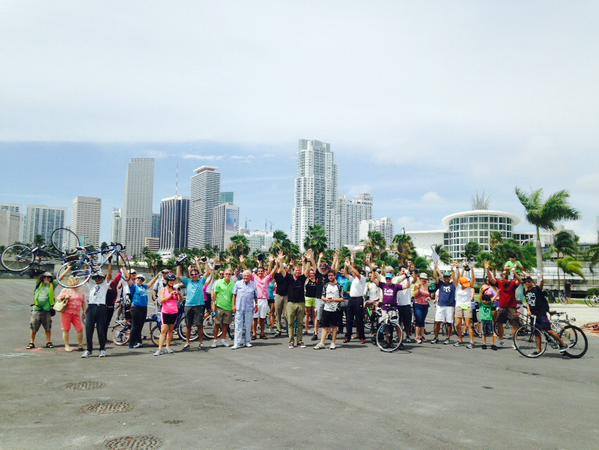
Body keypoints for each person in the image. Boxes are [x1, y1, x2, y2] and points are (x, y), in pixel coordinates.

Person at [523, 276, 567, 353]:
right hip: (533, 315)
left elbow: (541, 285)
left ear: (531, 282)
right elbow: (527, 303)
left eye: (528, 282)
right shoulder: (526, 292)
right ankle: (539, 350)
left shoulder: (536, 289)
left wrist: (541, 280)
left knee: (549, 330)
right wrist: (529, 311)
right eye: (525, 282)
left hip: (541, 313)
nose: (526, 283)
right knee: (537, 333)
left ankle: (562, 343)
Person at [177, 257, 211, 351]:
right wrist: (178, 265)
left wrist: (206, 262)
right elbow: (179, 275)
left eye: (196, 274)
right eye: (192, 274)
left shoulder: (201, 281)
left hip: (199, 306)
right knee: (188, 326)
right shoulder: (187, 281)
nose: (194, 275)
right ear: (190, 275)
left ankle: (201, 343)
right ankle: (187, 342)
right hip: (188, 306)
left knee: (199, 325)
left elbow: (207, 272)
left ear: (198, 275)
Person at [82, 265, 114, 358]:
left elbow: (109, 275)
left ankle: (102, 349)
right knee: (88, 330)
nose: (97, 279)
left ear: (102, 278)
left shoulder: (105, 285)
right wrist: (86, 263)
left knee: (101, 330)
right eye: (96, 278)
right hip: (91, 307)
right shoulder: (92, 285)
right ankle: (89, 350)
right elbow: (86, 276)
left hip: (101, 308)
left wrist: (109, 262)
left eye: (99, 277)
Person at [488, 265, 522, 345]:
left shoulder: (512, 283)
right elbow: (491, 279)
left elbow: (520, 281)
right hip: (502, 307)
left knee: (514, 325)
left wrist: (514, 272)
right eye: (502, 274)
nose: (502, 275)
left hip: (511, 307)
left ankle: (515, 342)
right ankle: (500, 339)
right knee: (499, 323)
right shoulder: (500, 283)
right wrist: (487, 269)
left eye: (504, 274)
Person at [127, 272, 160, 349]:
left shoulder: (144, 287)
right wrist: (123, 267)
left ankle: (139, 342)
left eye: (142, 279)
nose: (140, 280)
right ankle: (131, 343)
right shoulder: (133, 286)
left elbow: (150, 284)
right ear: (135, 279)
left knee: (140, 326)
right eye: (138, 278)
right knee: (135, 326)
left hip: (144, 308)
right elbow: (128, 278)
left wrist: (157, 276)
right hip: (136, 308)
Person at [314, 271, 344, 350]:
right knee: (324, 326)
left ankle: (333, 343)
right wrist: (326, 299)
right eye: (329, 276)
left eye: (331, 275)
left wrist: (334, 299)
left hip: (335, 309)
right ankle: (322, 343)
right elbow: (322, 296)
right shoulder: (326, 285)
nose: (330, 277)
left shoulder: (339, 286)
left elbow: (342, 298)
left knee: (334, 327)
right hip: (326, 309)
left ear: (335, 276)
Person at [27, 272, 58, 349]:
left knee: (48, 327)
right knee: (33, 327)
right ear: (42, 278)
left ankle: (48, 342)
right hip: (36, 309)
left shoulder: (52, 285)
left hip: (46, 310)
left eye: (49, 277)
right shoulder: (39, 284)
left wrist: (68, 268)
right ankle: (31, 342)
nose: (47, 279)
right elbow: (38, 276)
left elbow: (60, 277)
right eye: (45, 277)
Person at [283, 258, 309, 348]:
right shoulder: (289, 278)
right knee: (290, 323)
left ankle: (300, 341)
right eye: (296, 270)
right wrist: (279, 261)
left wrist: (308, 261)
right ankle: (291, 341)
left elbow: (307, 270)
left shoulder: (302, 278)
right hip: (291, 303)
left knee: (300, 323)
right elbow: (283, 271)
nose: (298, 272)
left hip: (301, 303)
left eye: (299, 270)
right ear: (293, 271)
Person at [55, 277, 87, 352]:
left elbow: (84, 303)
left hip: (76, 313)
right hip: (66, 313)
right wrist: (64, 297)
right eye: (72, 281)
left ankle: (80, 345)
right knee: (66, 329)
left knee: (80, 329)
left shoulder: (81, 291)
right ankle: (67, 345)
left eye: (76, 281)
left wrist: (84, 312)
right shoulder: (65, 290)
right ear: (69, 282)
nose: (74, 282)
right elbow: (58, 299)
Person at [154, 273, 181, 356]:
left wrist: (178, 294)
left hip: (174, 312)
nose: (172, 282)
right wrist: (170, 295)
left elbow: (180, 300)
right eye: (170, 280)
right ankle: (159, 349)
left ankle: (168, 347)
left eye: (173, 280)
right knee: (163, 331)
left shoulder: (176, 289)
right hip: (165, 312)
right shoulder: (164, 289)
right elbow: (161, 300)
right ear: (167, 281)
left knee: (170, 331)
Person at [250, 258, 276, 340]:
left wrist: (276, 263)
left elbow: (272, 272)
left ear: (263, 272)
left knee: (262, 318)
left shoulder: (267, 278)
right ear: (257, 273)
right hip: (256, 300)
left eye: (261, 271)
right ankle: (254, 333)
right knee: (254, 318)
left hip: (264, 300)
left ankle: (262, 333)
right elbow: (247, 271)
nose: (260, 272)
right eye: (259, 271)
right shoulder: (254, 277)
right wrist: (242, 263)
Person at [232, 270, 259, 350]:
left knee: (248, 325)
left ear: (250, 276)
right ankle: (237, 343)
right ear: (242, 276)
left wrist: (257, 305)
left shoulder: (253, 284)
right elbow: (234, 295)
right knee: (238, 326)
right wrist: (233, 305)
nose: (246, 277)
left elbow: (255, 296)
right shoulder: (238, 283)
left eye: (247, 275)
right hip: (239, 307)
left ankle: (247, 341)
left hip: (249, 308)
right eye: (244, 275)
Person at [431, 264, 457, 344]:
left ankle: (448, 338)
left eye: (448, 277)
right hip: (440, 305)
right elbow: (438, 276)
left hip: (450, 306)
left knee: (449, 323)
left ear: (450, 278)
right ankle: (436, 337)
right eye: (445, 277)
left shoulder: (453, 285)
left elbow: (455, 278)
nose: (446, 278)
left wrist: (453, 270)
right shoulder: (440, 284)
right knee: (437, 322)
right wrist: (436, 267)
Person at [344, 259, 367, 344]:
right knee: (349, 319)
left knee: (359, 319)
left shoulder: (362, 278)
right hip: (351, 299)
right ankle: (348, 337)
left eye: (353, 270)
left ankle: (362, 337)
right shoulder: (353, 279)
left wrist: (350, 265)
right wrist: (346, 265)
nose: (352, 272)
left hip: (358, 299)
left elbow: (357, 274)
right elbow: (345, 274)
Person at [454, 265, 476, 349]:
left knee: (468, 324)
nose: (467, 285)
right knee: (457, 324)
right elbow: (459, 277)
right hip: (458, 306)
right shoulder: (457, 286)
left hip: (467, 305)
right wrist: (461, 268)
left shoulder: (469, 287)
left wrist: (472, 269)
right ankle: (460, 340)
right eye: (465, 283)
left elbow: (474, 279)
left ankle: (472, 341)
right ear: (461, 283)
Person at [212, 268, 235, 347]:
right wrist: (214, 305)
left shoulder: (233, 284)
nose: (228, 275)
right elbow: (215, 294)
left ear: (231, 275)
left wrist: (233, 306)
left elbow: (233, 296)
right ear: (224, 274)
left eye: (229, 274)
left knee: (226, 325)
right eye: (226, 274)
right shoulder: (218, 282)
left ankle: (223, 339)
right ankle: (214, 340)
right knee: (217, 324)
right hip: (219, 306)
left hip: (228, 307)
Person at [395, 267, 414, 343]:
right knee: (398, 322)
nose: (403, 272)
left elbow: (414, 279)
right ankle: (398, 336)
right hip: (398, 304)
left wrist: (409, 271)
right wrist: (403, 275)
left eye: (404, 270)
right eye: (402, 270)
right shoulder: (396, 279)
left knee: (407, 322)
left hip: (406, 304)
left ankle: (408, 336)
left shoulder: (409, 279)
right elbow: (396, 282)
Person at [273, 259, 292, 337]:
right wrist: (276, 264)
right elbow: (271, 272)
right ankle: (278, 330)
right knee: (277, 314)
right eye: (282, 267)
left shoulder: (288, 276)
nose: (282, 268)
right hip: (278, 296)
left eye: (284, 267)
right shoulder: (277, 275)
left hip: (286, 296)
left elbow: (288, 270)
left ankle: (288, 330)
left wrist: (289, 265)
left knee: (287, 314)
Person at [412, 273, 431, 344]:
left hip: (425, 304)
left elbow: (428, 294)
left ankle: (422, 335)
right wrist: (419, 290)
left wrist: (428, 297)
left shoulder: (426, 285)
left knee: (422, 320)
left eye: (425, 279)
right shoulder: (417, 285)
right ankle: (417, 336)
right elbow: (414, 295)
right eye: (423, 279)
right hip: (418, 304)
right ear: (420, 279)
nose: (424, 280)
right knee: (418, 320)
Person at [479, 280, 498, 350]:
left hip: (490, 319)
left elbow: (493, 300)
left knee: (493, 332)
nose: (485, 302)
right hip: (484, 319)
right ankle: (484, 344)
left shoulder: (490, 301)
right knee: (484, 332)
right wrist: (483, 289)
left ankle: (494, 344)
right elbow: (482, 297)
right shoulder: (481, 301)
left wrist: (497, 293)